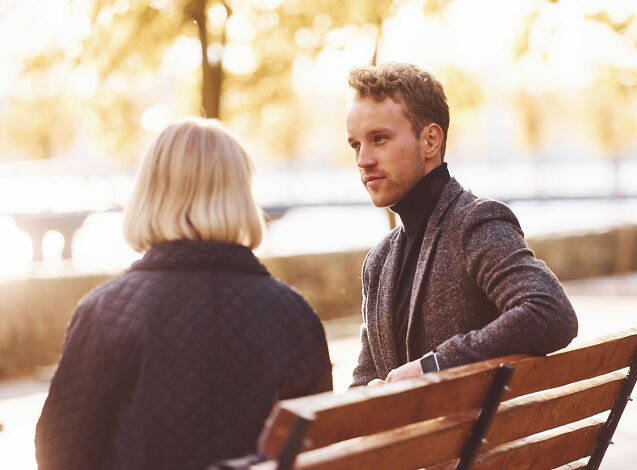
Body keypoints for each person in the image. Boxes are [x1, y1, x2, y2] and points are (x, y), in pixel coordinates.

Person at [35, 118, 333, 470]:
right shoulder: (294, 315)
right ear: (240, 193)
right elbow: (318, 448)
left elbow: (60, 454)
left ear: (150, 193)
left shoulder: (106, 312)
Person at [345, 63, 578, 387]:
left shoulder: (474, 224)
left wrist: (433, 366)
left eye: (379, 139)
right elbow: (363, 379)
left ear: (430, 140)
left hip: (475, 438)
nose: (362, 160)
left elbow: (550, 313)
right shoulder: (378, 261)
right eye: (355, 144)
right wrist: (368, 393)